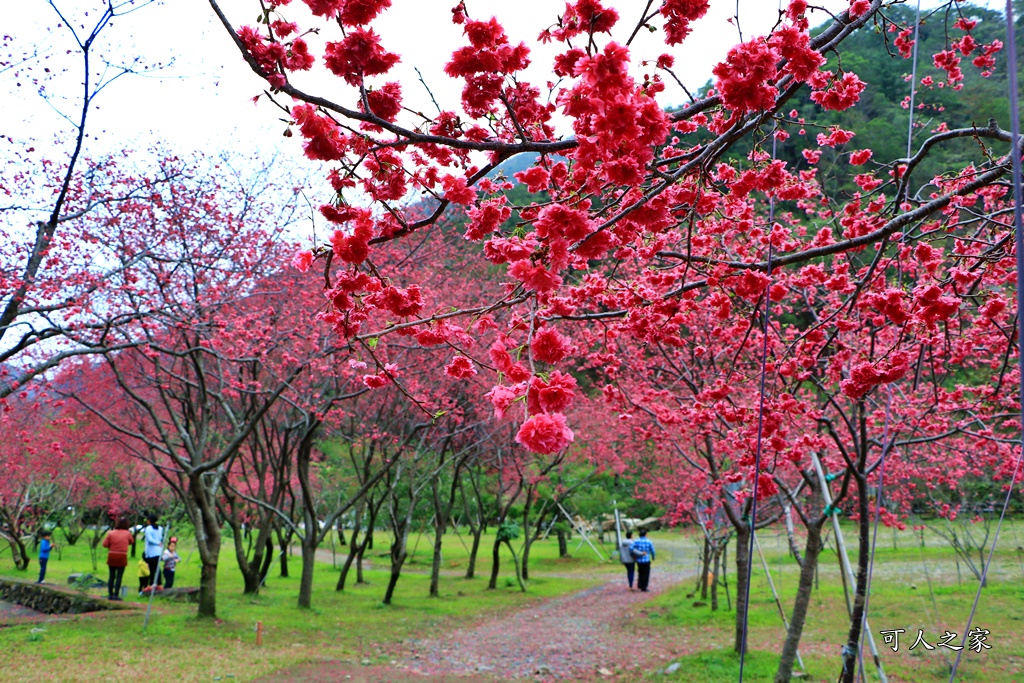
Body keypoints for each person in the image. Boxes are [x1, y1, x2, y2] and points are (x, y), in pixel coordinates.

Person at [102, 518, 134, 600]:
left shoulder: (111, 533)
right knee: (119, 576)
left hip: (112, 555)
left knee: (111, 576)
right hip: (122, 556)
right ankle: (116, 594)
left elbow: (105, 544)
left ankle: (110, 593)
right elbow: (131, 541)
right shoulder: (128, 533)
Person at [142, 514, 164, 589]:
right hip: (159, 551)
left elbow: (149, 539)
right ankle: (159, 584)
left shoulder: (148, 528)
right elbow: (161, 538)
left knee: (152, 569)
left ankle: (152, 584)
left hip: (152, 552)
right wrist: (159, 543)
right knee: (157, 568)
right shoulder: (160, 528)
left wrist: (157, 543)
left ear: (149, 521)